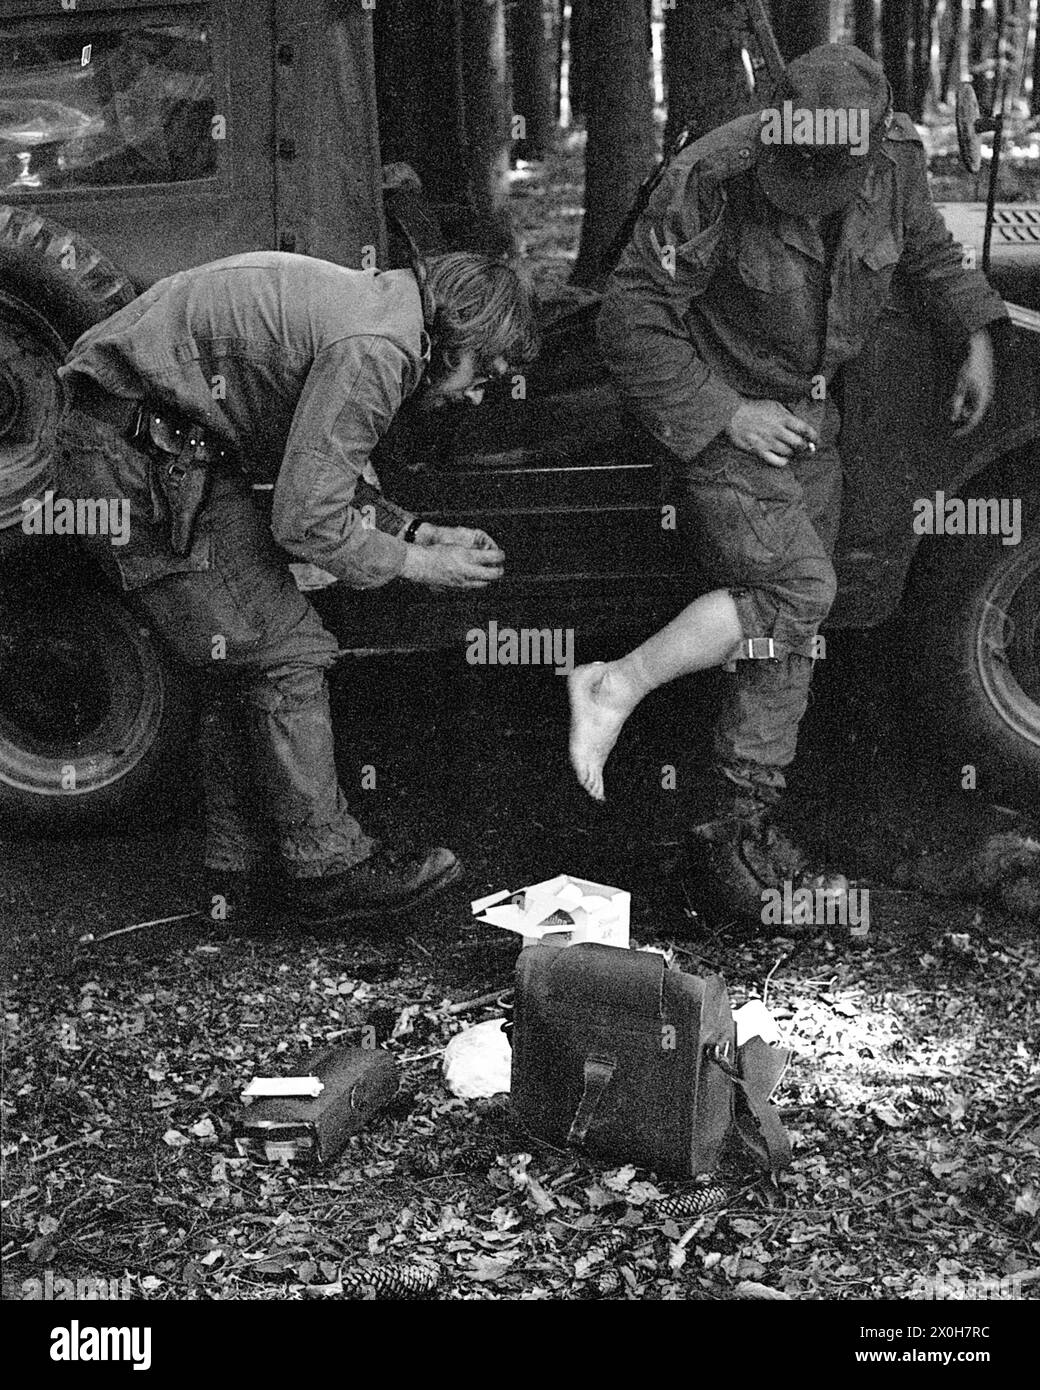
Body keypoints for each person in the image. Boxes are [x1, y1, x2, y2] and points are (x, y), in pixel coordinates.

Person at [570, 43, 1006, 919]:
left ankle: (738, 823)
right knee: (798, 588)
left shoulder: (894, 161)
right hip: (715, 408)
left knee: (795, 620)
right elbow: (631, 323)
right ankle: (612, 685)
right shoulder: (712, 178)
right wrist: (729, 414)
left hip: (810, 420)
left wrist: (977, 333)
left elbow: (924, 249)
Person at [54, 249, 539, 931]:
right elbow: (306, 520)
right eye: (485, 367)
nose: (482, 391)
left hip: (156, 442)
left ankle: (241, 878)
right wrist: (418, 566)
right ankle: (329, 872)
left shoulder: (381, 310)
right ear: (458, 327)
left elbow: (312, 469)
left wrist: (419, 532)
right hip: (131, 454)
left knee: (239, 652)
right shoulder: (379, 347)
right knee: (286, 650)